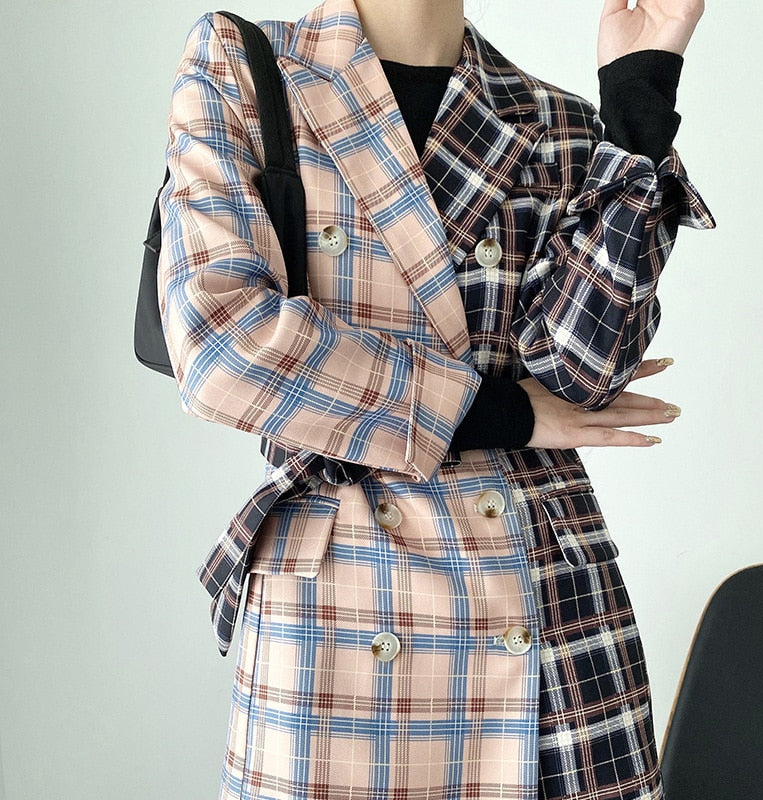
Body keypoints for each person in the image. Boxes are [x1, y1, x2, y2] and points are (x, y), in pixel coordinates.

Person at [157, 0, 714, 797]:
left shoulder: (553, 118)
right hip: (340, 608)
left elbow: (580, 373)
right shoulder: (246, 65)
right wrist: (503, 412)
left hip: (541, 608)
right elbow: (222, 344)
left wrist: (638, 98)